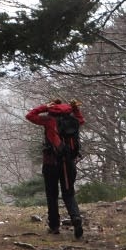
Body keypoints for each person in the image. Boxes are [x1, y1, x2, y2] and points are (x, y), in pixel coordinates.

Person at [26, 99, 85, 239]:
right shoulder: (73, 120)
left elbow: (30, 116)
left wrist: (44, 107)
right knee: (69, 193)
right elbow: (81, 120)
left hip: (50, 163)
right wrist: (75, 108)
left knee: (52, 195)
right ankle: (76, 218)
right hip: (68, 164)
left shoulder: (48, 120)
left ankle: (54, 226)